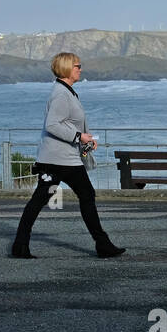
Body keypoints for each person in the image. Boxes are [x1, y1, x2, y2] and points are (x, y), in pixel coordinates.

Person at [11, 53, 126, 259]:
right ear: (66, 68)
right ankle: (103, 244)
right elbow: (52, 124)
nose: (80, 69)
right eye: (77, 66)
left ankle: (20, 246)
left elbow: (67, 124)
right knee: (85, 196)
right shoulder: (61, 94)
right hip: (60, 159)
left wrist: (85, 140)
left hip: (58, 158)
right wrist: (78, 136)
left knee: (40, 200)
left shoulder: (66, 92)